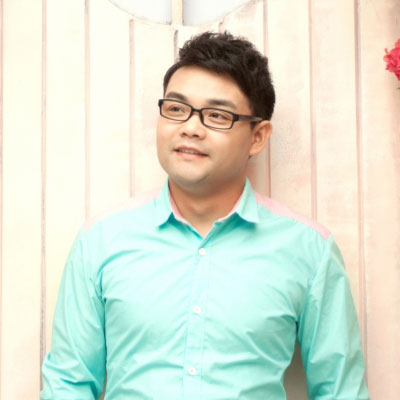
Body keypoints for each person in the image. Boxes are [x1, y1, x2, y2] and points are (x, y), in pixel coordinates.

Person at [41, 31, 370, 399]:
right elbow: (67, 385)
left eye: (217, 115)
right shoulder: (101, 241)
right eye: (176, 109)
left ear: (258, 137)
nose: (190, 128)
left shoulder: (309, 249)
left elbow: (341, 391)